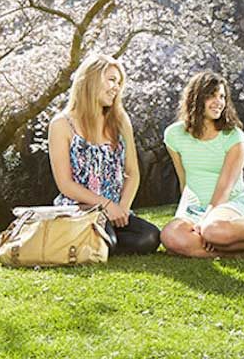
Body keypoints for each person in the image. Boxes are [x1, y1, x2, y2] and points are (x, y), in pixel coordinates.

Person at [48, 54, 161, 255]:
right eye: (111, 80)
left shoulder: (120, 120)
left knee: (150, 236)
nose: (116, 87)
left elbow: (132, 173)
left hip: (115, 210)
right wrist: (105, 205)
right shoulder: (62, 124)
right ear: (90, 80)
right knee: (107, 239)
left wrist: (122, 209)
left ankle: (102, 242)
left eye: (119, 82)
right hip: (80, 210)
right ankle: (96, 241)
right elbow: (65, 184)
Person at [158, 71, 244, 258]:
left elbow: (225, 188)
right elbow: (184, 181)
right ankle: (241, 252)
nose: (218, 102)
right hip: (197, 208)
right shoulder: (174, 135)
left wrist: (206, 219)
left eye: (222, 96)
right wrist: (187, 216)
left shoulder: (234, 136)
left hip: (230, 205)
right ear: (196, 99)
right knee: (170, 236)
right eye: (211, 96)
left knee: (213, 231)